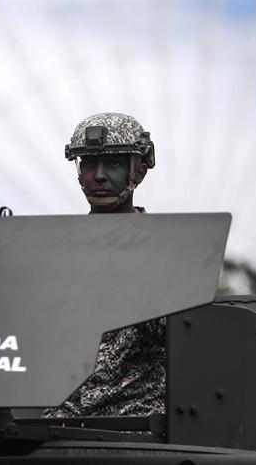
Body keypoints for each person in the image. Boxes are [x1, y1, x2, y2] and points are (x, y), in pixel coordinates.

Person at [43, 112, 164, 418]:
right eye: (88, 163)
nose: (98, 175)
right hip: (57, 423)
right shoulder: (52, 251)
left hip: (135, 424)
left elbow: (182, 336)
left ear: (139, 172)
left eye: (112, 163)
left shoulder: (166, 249)